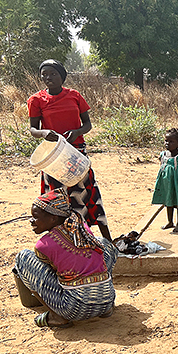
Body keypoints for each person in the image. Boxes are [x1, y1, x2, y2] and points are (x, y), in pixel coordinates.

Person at [28, 59, 112, 242]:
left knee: (86, 193)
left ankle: (103, 239)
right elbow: (33, 129)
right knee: (58, 200)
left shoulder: (74, 95)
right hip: (53, 156)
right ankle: (63, 243)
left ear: (62, 76)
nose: (48, 77)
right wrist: (44, 133)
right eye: (44, 74)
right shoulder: (36, 100)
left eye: (53, 74)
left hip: (76, 153)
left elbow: (87, 124)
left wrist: (77, 132)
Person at [13, 187, 117, 328]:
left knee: (23, 258)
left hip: (74, 309)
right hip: (107, 301)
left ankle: (57, 316)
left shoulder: (44, 245)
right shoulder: (82, 228)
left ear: (53, 218)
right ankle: (105, 306)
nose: (32, 221)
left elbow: (51, 271)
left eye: (36, 217)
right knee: (104, 243)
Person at [151, 128, 178, 232]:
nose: (167, 143)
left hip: (177, 183)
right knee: (168, 202)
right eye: (166, 141)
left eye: (171, 141)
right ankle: (170, 221)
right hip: (167, 183)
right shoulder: (163, 154)